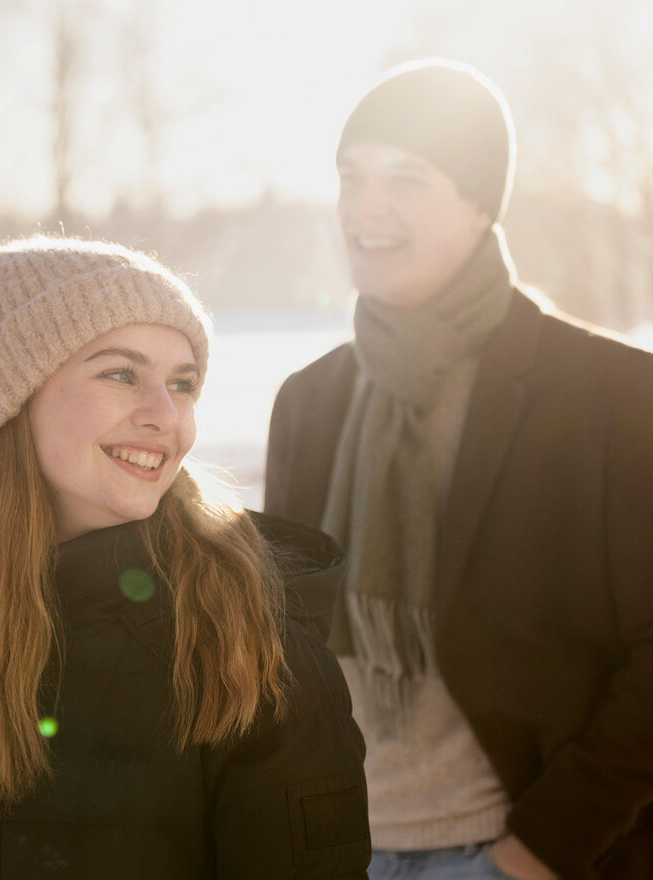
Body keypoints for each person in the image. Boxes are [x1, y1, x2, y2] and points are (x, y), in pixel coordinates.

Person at [0, 237, 371, 879]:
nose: (164, 416)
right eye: (121, 374)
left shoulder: (250, 643)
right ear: (17, 397)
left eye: (183, 384)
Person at [264, 58, 653, 880]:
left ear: (481, 203)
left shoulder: (613, 397)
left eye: (406, 178)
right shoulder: (310, 401)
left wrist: (538, 852)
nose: (367, 206)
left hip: (520, 852)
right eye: (351, 176)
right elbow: (282, 646)